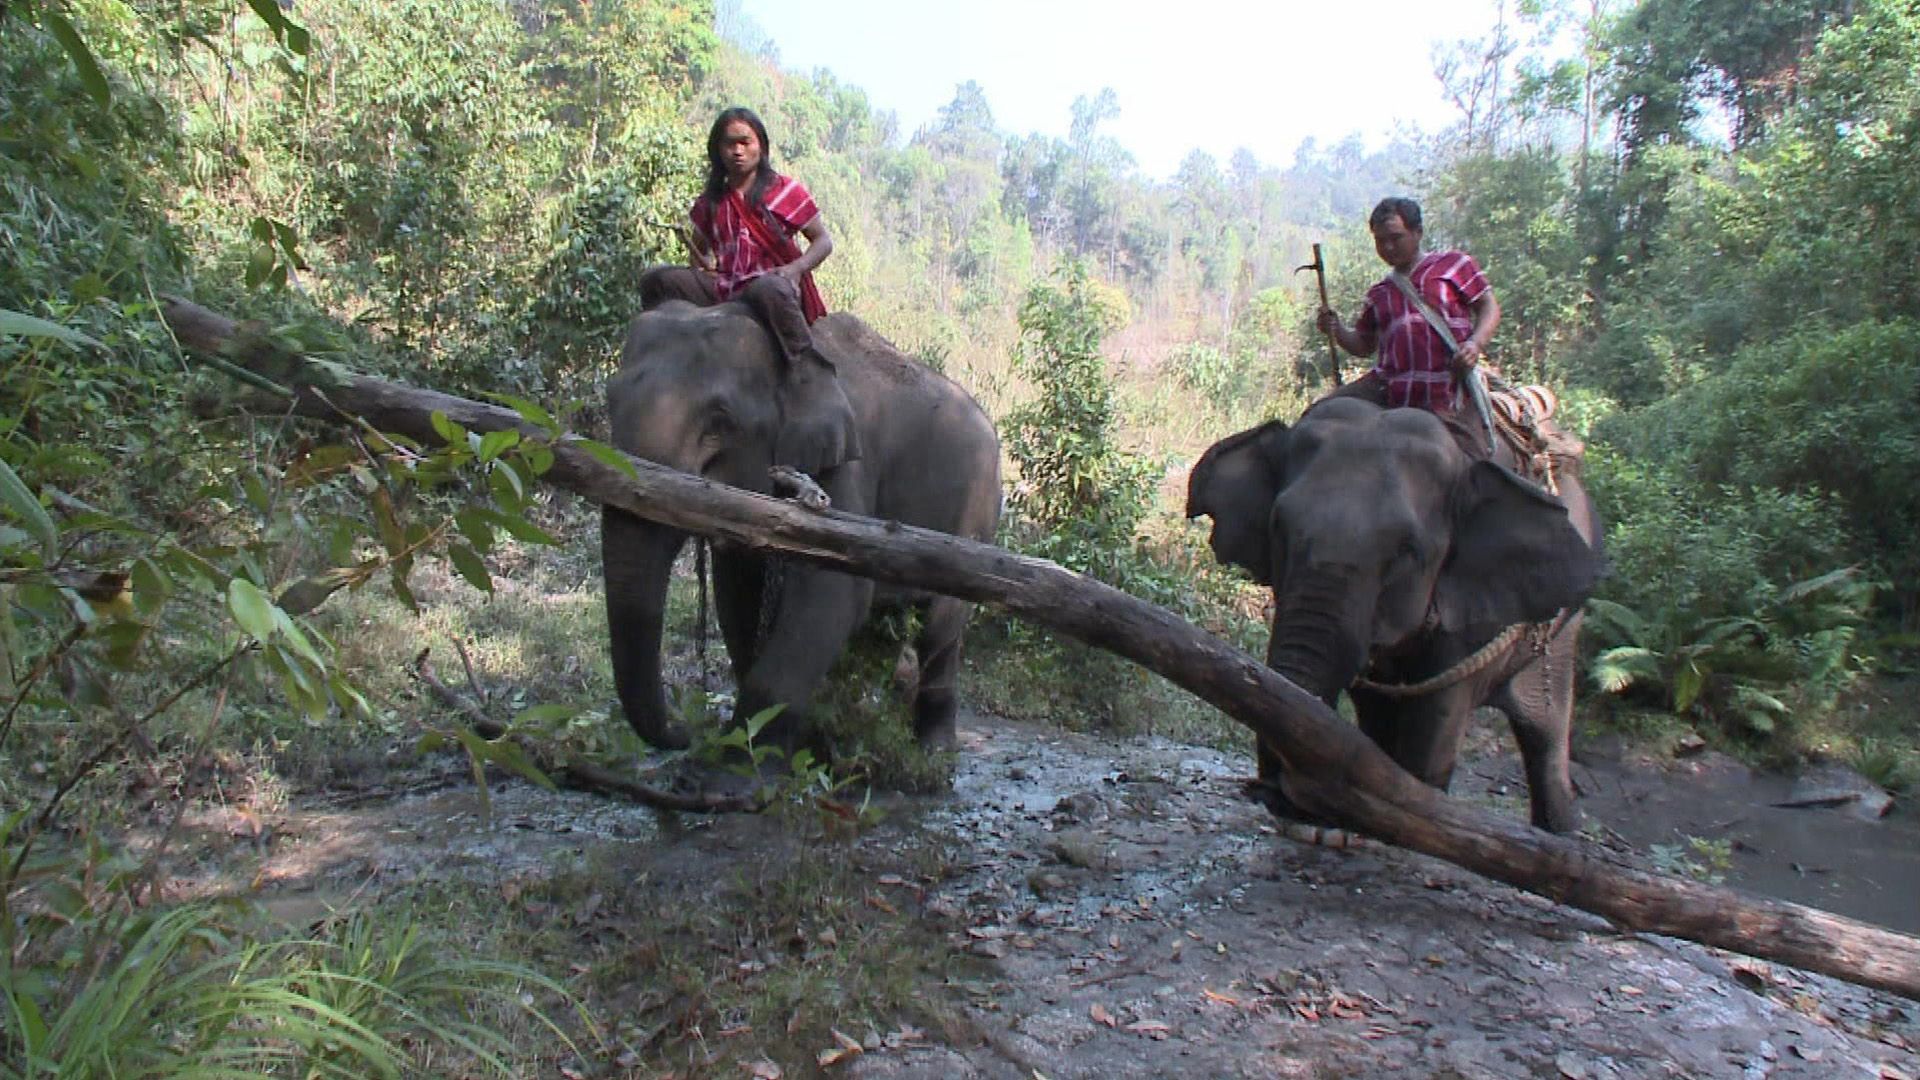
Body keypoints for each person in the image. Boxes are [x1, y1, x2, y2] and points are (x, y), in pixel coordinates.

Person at [639, 106, 857, 468]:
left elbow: (823, 241)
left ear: (761, 147)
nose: (737, 151)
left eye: (745, 142)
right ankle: (665, 353)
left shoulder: (784, 191)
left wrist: (796, 268)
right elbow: (700, 251)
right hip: (727, 286)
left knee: (770, 290)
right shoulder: (712, 202)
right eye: (729, 144)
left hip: (771, 285)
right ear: (717, 150)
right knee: (657, 280)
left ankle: (811, 375)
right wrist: (699, 276)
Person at [1315, 197, 1501, 416]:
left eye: (1396, 238)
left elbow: (1488, 306)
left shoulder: (1454, 264)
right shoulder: (1379, 293)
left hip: (1447, 390)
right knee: (1320, 414)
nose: (1388, 247)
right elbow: (1364, 345)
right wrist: (1337, 329)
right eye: (1380, 240)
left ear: (1418, 232)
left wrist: (1474, 344)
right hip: (1391, 392)